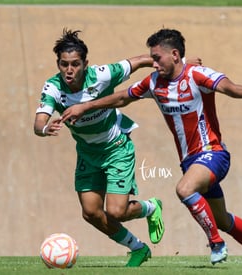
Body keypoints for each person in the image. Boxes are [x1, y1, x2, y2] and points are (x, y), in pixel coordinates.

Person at [61, 28, 242, 267]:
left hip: (213, 153)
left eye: (157, 58)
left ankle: (216, 244)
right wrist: (86, 107)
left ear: (174, 55)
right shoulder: (154, 83)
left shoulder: (197, 75)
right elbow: (123, 97)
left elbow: (229, 87)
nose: (153, 64)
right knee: (221, 219)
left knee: (184, 189)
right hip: (190, 161)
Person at [33, 28, 165, 267]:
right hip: (87, 153)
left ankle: (150, 207)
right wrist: (45, 129)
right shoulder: (53, 87)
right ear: (58, 64)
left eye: (75, 64)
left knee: (116, 212)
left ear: (86, 63)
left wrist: (179, 64)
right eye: (64, 64)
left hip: (116, 149)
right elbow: (39, 121)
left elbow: (138, 62)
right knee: (91, 212)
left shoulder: (102, 75)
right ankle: (138, 248)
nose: (69, 70)